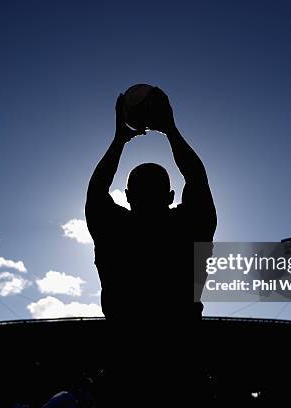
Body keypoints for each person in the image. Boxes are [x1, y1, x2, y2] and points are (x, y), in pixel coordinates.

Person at [85, 87, 217, 403]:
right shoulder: (189, 227)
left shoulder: (114, 231)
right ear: (171, 196)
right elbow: (197, 179)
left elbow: (96, 191)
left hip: (125, 370)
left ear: (127, 196)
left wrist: (119, 139)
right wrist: (171, 130)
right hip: (182, 370)